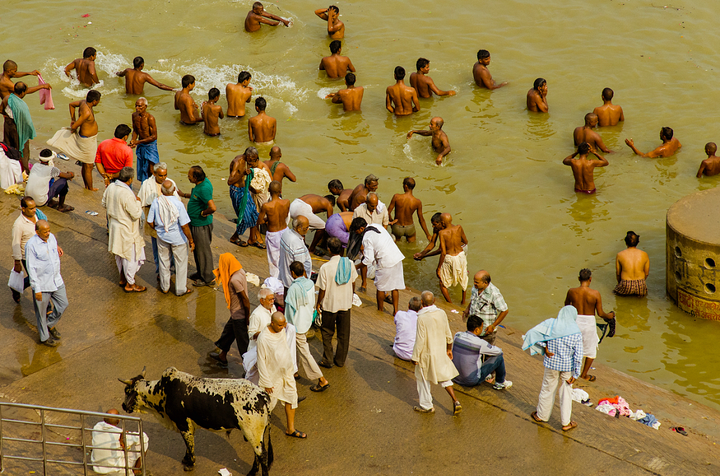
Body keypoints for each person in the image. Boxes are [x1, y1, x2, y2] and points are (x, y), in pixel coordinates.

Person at [525, 306, 583, 431]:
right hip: (567, 367)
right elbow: (578, 355)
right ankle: (566, 423)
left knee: (547, 389)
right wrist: (576, 374)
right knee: (566, 393)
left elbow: (533, 334)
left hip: (552, 363)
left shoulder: (551, 324)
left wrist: (544, 347)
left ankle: (541, 416)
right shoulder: (576, 332)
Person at [257, 312, 307, 439]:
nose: (282, 327)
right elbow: (261, 361)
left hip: (287, 374)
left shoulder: (282, 330)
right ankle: (255, 431)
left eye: (284, 324)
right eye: (279, 325)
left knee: (291, 398)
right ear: (272, 323)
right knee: (267, 406)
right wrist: (266, 382)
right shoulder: (263, 338)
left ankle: (290, 429)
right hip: (272, 378)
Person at [411, 291, 461, 415]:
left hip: (426, 354)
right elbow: (448, 333)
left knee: (422, 379)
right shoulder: (441, 313)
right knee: (445, 378)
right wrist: (449, 349)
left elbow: (420, 340)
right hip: (440, 351)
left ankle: (427, 406)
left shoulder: (421, 318)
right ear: (434, 301)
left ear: (422, 303)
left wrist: (415, 357)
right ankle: (455, 400)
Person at [564, 268, 615, 382]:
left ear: (578, 279)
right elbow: (600, 313)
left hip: (575, 321)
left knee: (573, 347)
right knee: (590, 351)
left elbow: (566, 307)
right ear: (590, 279)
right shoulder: (595, 293)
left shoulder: (572, 291)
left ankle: (571, 371)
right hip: (589, 324)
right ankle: (584, 374)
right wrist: (610, 316)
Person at [286, 262, 331, 391]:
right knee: (295, 347)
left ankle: (321, 379)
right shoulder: (310, 284)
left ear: (293, 273)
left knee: (305, 353)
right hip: (306, 322)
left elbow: (289, 310)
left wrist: (286, 324)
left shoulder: (293, 288)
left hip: (296, 325)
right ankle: (294, 371)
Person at [47, 89, 101, 191]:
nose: (98, 102)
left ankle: (87, 186)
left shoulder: (83, 102)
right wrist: (74, 124)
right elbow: (74, 126)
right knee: (88, 165)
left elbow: (71, 104)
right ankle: (90, 188)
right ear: (94, 101)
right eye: (98, 100)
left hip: (88, 139)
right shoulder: (86, 112)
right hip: (87, 141)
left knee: (86, 164)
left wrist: (72, 118)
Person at [103, 167, 146, 293]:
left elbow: (104, 203)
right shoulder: (127, 193)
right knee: (130, 256)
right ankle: (130, 284)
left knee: (120, 254)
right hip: (126, 228)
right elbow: (136, 214)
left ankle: (123, 279)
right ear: (130, 179)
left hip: (114, 226)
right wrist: (138, 202)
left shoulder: (111, 187)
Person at [25, 220, 68, 347]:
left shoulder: (52, 238)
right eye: (45, 232)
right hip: (42, 284)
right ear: (37, 232)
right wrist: (36, 288)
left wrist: (58, 248)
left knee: (63, 304)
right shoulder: (31, 245)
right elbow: (31, 267)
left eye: (49, 230)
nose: (48, 233)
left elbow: (53, 249)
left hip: (56, 280)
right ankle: (44, 337)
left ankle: (49, 324)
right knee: (41, 312)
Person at [147, 180, 193, 296]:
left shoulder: (156, 202)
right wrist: (191, 240)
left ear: (161, 190)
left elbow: (149, 221)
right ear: (174, 190)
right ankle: (180, 289)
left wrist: (158, 228)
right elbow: (184, 225)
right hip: (178, 239)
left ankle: (165, 287)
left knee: (164, 262)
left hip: (162, 237)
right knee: (181, 264)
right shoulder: (178, 204)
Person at [316, 237, 357, 368]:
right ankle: (340, 360)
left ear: (329, 249)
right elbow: (353, 281)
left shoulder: (325, 267)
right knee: (343, 334)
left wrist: (318, 303)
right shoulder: (349, 263)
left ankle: (327, 359)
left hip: (330, 305)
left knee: (327, 332)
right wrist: (350, 295)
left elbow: (322, 289)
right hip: (345, 304)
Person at [352, 217, 405, 315]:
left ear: (361, 229)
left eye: (357, 232)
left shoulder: (366, 238)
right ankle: (395, 311)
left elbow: (368, 259)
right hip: (397, 257)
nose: (357, 234)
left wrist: (355, 267)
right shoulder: (376, 226)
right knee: (395, 287)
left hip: (385, 261)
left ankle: (380, 310)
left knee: (381, 288)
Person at [208, 254, 250, 369]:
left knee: (243, 345)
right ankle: (222, 355)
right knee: (228, 333)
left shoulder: (234, 280)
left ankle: (249, 369)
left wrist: (247, 317)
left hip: (239, 315)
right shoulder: (239, 271)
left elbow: (245, 299)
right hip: (236, 313)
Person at [178, 166, 216, 287]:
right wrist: (183, 194)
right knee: (198, 251)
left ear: (195, 177)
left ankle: (208, 278)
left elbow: (213, 207)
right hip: (196, 223)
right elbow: (196, 195)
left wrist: (202, 213)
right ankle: (201, 273)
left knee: (203, 251)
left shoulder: (203, 189)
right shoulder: (202, 183)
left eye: (189, 176)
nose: (188, 177)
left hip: (201, 225)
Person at [138, 163, 178, 275]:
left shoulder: (171, 183)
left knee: (171, 247)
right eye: (161, 175)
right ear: (154, 174)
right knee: (157, 248)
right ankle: (159, 270)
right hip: (155, 222)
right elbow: (141, 202)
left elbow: (177, 201)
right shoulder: (146, 185)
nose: (164, 178)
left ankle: (171, 268)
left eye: (165, 175)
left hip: (170, 222)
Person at [452, 315, 512, 389]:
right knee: (499, 357)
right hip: (470, 381)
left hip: (454, 377)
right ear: (477, 330)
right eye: (481, 328)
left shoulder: (457, 335)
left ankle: (486, 375)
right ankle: (500, 382)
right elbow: (499, 351)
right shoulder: (480, 343)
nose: (482, 330)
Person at [11, 197, 47, 303]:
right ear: (23, 209)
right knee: (37, 280)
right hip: (27, 257)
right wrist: (17, 262)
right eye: (31, 208)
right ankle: (47, 307)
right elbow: (16, 243)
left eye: (34, 207)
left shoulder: (37, 216)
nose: (34, 210)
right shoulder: (18, 225)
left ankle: (17, 287)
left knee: (35, 278)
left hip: (40, 254)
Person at [91, 409, 149, 475]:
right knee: (143, 441)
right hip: (117, 470)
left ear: (104, 418)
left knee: (124, 444)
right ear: (118, 421)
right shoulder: (119, 433)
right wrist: (126, 436)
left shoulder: (97, 426)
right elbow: (144, 437)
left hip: (98, 467)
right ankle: (136, 470)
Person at [229, 147, 266, 248]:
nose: (254, 163)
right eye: (253, 160)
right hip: (237, 192)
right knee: (244, 218)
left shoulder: (246, 162)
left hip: (244, 190)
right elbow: (230, 181)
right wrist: (243, 174)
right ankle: (234, 237)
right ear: (249, 157)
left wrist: (251, 188)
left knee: (254, 214)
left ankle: (252, 239)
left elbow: (243, 180)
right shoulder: (238, 162)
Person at [462, 270, 508, 346]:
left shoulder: (494, 293)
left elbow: (505, 311)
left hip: (486, 332)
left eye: (476, 282)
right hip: (473, 329)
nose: (474, 284)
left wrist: (493, 326)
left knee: (487, 355)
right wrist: (467, 310)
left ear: (485, 283)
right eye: (474, 281)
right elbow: (473, 300)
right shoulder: (475, 288)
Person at [1, 82, 37, 171]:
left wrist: (7, 116)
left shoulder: (7, 98)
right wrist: (29, 132)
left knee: (8, 146)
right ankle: (24, 171)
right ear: (22, 93)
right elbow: (27, 122)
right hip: (17, 128)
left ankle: (6, 168)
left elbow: (1, 110)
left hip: (7, 124)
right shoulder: (22, 105)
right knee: (23, 148)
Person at [258, 181, 290, 277]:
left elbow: (260, 221)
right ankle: (287, 277)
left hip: (273, 233)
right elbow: (285, 215)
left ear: (268, 190)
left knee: (274, 260)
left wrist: (269, 219)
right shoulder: (287, 202)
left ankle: (276, 282)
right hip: (285, 231)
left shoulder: (266, 206)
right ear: (280, 191)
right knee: (286, 257)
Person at [437, 214, 468, 304]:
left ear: (442, 222)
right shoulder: (459, 227)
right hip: (461, 256)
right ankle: (463, 302)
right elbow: (465, 241)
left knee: (442, 282)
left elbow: (443, 252)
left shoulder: (442, 233)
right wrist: (456, 243)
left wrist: (438, 268)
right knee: (463, 278)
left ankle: (450, 303)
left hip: (449, 257)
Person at [387, 177, 430, 243]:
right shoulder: (417, 202)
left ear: (406, 186)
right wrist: (428, 235)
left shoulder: (396, 197)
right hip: (409, 228)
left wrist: (391, 221)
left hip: (397, 227)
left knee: (396, 247)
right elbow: (421, 220)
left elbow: (387, 212)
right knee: (412, 247)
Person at [130, 97, 159, 183]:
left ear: (145, 106)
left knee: (151, 169)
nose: (137, 108)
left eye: (139, 106)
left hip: (150, 145)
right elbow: (135, 130)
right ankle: (145, 186)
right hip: (141, 144)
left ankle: (153, 185)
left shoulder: (150, 118)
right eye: (136, 106)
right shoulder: (134, 116)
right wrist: (133, 140)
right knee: (143, 168)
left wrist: (138, 142)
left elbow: (154, 137)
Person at [279, 216, 312, 290]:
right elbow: (300, 268)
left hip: (285, 275)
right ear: (298, 228)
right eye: (306, 227)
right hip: (294, 281)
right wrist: (306, 284)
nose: (308, 229)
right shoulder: (297, 244)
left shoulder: (286, 233)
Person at [615, 231, 650, 296]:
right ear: (637, 242)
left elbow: (618, 273)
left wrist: (619, 284)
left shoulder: (620, 255)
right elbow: (646, 273)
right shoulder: (644, 254)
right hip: (640, 284)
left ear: (626, 242)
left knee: (615, 293)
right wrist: (639, 283)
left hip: (626, 284)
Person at [392, 297, 421, 361]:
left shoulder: (399, 314)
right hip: (413, 355)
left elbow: (396, 322)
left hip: (398, 351)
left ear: (408, 305)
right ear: (420, 308)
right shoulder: (421, 319)